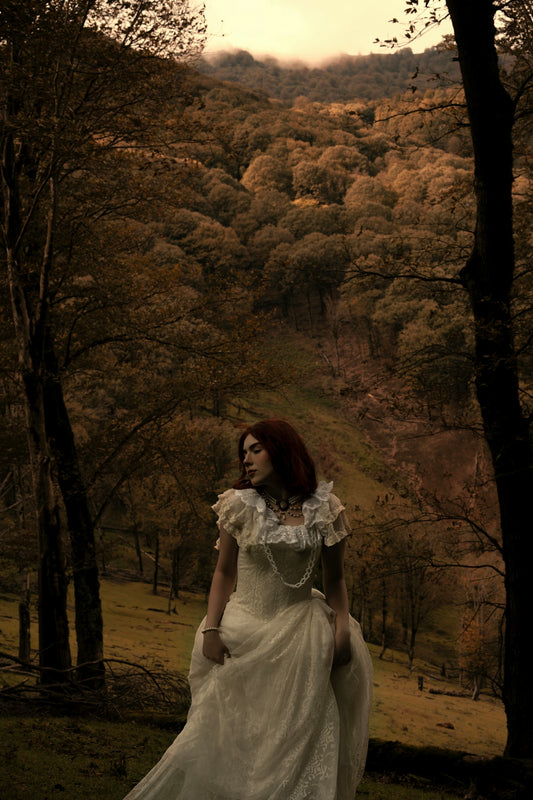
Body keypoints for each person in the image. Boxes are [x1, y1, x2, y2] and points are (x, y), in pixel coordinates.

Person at [123, 419, 373, 800]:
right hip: (242, 633)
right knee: (225, 737)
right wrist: (211, 629)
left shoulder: (326, 508)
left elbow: (335, 580)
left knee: (293, 740)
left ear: (283, 450)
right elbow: (223, 573)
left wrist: (340, 630)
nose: (247, 460)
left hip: (302, 639)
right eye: (244, 453)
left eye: (256, 450)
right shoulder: (238, 505)